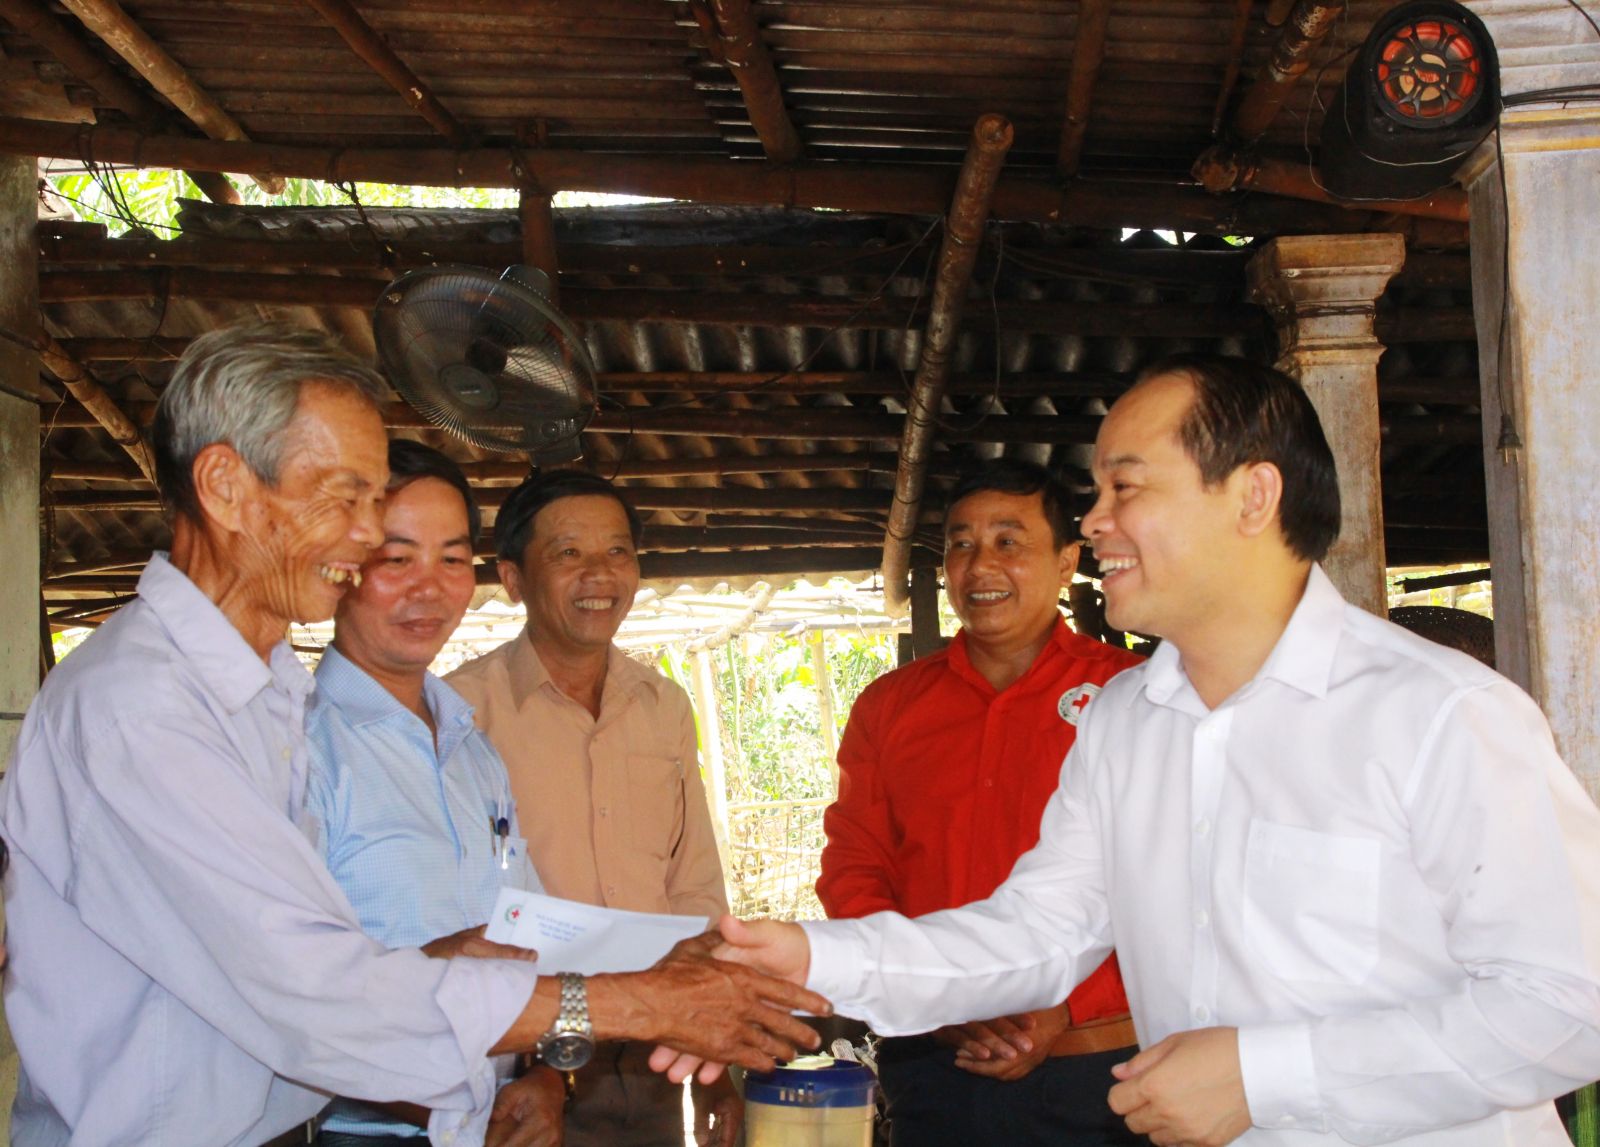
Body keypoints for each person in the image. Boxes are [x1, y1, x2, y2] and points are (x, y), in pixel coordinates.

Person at [663, 354, 1600, 1147]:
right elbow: (1037, 933)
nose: (1095, 521)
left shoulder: (1439, 714)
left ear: (1254, 496)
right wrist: (805, 958)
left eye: (1127, 486)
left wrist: (1264, 1074)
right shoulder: (1125, 719)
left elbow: (1572, 1002)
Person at [0, 322, 827, 1147]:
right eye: (345, 496)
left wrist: (486, 990)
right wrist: (640, 1001)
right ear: (225, 486)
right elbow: (320, 995)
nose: (366, 535)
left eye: (382, 507)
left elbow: (333, 964)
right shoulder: (142, 708)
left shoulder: (270, 695)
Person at [816, 458, 1143, 1146]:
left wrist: (1063, 1003)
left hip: (1098, 1066)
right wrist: (933, 992)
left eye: (1007, 541)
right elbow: (854, 868)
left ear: (1066, 561)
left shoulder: (1132, 694)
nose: (980, 564)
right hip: (936, 1067)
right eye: (961, 544)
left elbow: (1166, 879)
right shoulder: (889, 707)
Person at [448, 470, 740, 1147]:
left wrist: (712, 1051)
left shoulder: (662, 706)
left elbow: (693, 884)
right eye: (568, 552)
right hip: (518, 1060)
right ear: (514, 578)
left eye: (617, 551)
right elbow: (453, 909)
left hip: (653, 1054)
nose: (599, 574)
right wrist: (535, 1061)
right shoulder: (462, 712)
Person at [305, 440, 563, 1147]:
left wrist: (547, 1076)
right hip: (363, 1131)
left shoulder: (472, 749)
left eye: (452, 559)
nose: (430, 589)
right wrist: (431, 966)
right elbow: (281, 988)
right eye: (397, 559)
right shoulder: (301, 748)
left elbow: (530, 933)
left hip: (497, 1114)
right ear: (341, 563)